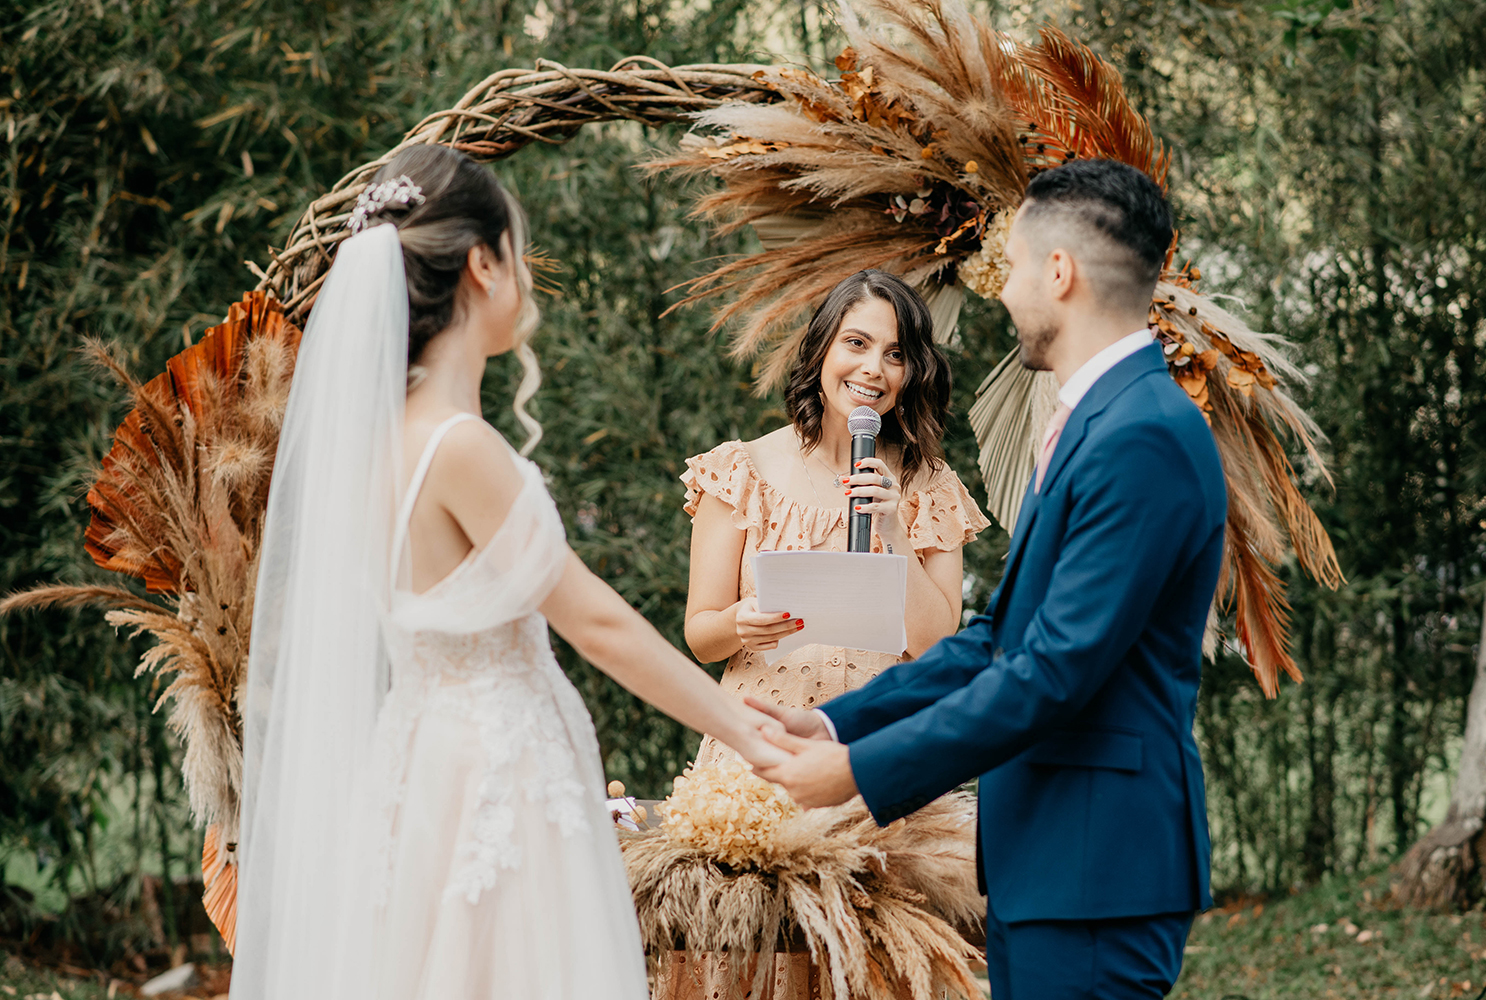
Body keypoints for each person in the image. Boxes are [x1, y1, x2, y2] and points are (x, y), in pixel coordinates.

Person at [230, 145, 786, 1000]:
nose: (524, 275)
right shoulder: (457, 446)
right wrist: (748, 735)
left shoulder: (373, 446)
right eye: (518, 254)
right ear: (483, 264)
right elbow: (594, 621)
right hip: (499, 770)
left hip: (419, 766)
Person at [753, 159, 1227, 1000]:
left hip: (1096, 868)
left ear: (1059, 272)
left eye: (1011, 269)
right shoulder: (1102, 421)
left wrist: (862, 773)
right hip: (1050, 861)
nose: (1004, 293)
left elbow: (1053, 673)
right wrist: (836, 725)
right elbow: (1001, 641)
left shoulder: (1142, 435)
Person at [657, 269, 990, 999]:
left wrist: (895, 526)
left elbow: (940, 648)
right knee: (757, 974)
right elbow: (700, 633)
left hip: (881, 761)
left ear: (911, 374)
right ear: (821, 351)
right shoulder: (741, 470)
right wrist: (737, 622)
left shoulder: (930, 484)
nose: (873, 368)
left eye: (896, 354)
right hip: (761, 754)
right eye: (857, 343)